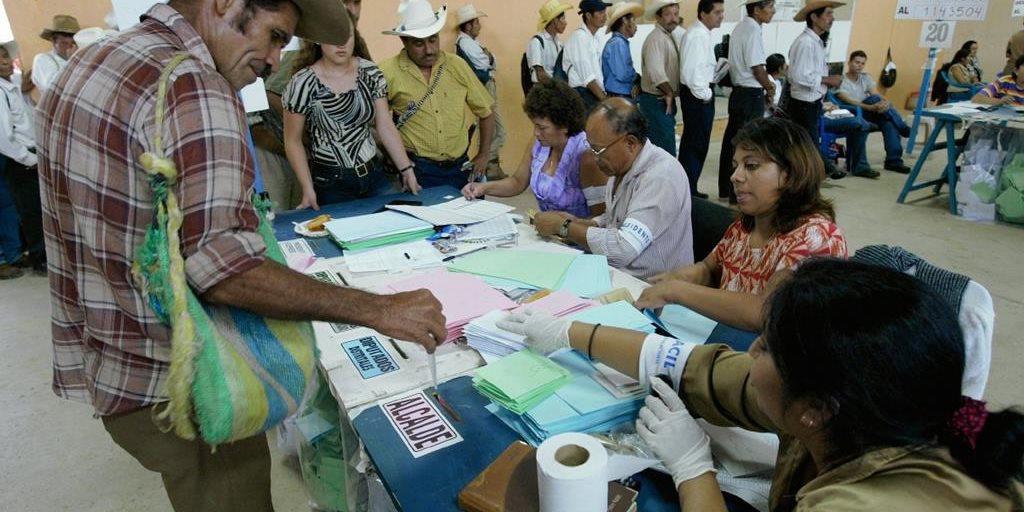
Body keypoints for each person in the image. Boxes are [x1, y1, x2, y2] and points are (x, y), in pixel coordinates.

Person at [36, 2, 447, 510]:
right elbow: (222, 267)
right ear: (228, 6)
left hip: (118, 363)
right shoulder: (194, 85)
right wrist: (378, 310)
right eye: (275, 36)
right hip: (192, 383)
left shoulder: (96, 60)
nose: (275, 60)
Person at [498, 258, 1024, 511]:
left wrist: (693, 471)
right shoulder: (870, 407)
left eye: (767, 344)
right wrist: (570, 330)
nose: (749, 348)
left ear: (815, 409)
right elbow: (693, 365)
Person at [636, 117, 847, 331]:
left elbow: (765, 312)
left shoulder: (816, 237)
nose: (735, 177)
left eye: (751, 165)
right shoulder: (746, 226)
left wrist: (677, 290)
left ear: (790, 173)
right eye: (736, 166)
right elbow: (709, 268)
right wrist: (678, 277)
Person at [533, 98, 693, 279]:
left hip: (651, 287)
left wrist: (564, 227)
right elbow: (618, 218)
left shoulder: (661, 177)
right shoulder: (621, 167)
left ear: (630, 143)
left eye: (598, 151)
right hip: (620, 274)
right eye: (591, 149)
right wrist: (587, 223)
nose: (594, 158)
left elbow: (623, 248)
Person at [283, 33, 419, 208]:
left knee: (396, 225)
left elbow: (385, 125)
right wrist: (307, 187)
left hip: (373, 172)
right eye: (333, 36)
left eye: (346, 36)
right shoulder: (302, 83)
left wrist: (406, 169)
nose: (341, 44)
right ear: (317, 38)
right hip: (331, 181)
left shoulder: (370, 72)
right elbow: (292, 141)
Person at [379, 0, 496, 190]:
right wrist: (397, 160)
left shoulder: (456, 65)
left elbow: (486, 111)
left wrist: (484, 154)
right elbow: (374, 123)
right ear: (404, 41)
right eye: (419, 43)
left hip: (461, 168)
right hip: (418, 171)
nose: (429, 50)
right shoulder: (386, 72)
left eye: (433, 39)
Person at [462, 79, 607, 218]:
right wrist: (483, 188)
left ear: (564, 126)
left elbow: (600, 219)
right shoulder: (540, 143)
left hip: (576, 239)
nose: (536, 132)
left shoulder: (586, 156)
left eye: (542, 127)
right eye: (535, 125)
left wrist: (564, 227)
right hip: (548, 233)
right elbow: (517, 182)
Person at [717, 0, 777, 203]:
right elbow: (758, 68)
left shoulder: (740, 27)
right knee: (747, 145)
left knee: (732, 142)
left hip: (739, 93)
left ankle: (726, 188)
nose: (773, 11)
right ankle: (738, 193)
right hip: (750, 93)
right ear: (757, 9)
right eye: (770, 7)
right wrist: (770, 87)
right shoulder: (752, 31)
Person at [785, 1, 848, 179]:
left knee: (806, 141)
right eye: (828, 14)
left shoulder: (816, 42)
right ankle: (822, 168)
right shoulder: (806, 43)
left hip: (811, 101)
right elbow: (799, 76)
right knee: (807, 142)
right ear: (814, 17)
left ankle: (818, 169)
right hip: (804, 102)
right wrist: (828, 80)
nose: (832, 18)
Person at [0, 39, 45, 275]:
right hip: (19, 159)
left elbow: (27, 114)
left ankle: (18, 254)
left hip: (28, 152)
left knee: (27, 207)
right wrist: (27, 159)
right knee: (29, 209)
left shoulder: (14, 85)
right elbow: (4, 137)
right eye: (0, 59)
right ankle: (39, 257)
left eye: (6, 57)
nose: (5, 62)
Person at [835, 50, 912, 174]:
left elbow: (875, 93)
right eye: (857, 62)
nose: (859, 65)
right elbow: (848, 101)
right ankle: (903, 127)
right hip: (854, 112)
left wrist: (885, 103)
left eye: (862, 63)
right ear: (849, 63)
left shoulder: (866, 77)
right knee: (876, 100)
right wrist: (870, 107)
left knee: (888, 121)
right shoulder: (841, 81)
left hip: (871, 111)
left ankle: (894, 161)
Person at [678, 0, 725, 200]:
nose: (721, 16)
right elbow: (691, 73)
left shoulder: (703, 34)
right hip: (698, 97)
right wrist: (706, 94)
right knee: (695, 144)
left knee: (697, 144)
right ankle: (688, 190)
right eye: (717, 12)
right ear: (703, 14)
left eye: (722, 11)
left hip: (701, 93)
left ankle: (691, 187)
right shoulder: (697, 35)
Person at [456, 4, 507, 179]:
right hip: (483, 87)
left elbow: (492, 61)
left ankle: (484, 165)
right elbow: (484, 63)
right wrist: (489, 56)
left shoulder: (472, 42)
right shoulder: (465, 42)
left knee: (496, 131)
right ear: (468, 25)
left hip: (486, 85)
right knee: (495, 130)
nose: (480, 26)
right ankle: (479, 163)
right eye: (476, 23)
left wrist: (489, 57)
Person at [638, 0, 680, 157]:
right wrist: (669, 92)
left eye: (676, 14)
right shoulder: (656, 39)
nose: (673, 18)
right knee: (664, 151)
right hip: (656, 101)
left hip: (661, 100)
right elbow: (656, 72)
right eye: (668, 14)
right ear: (658, 17)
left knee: (664, 146)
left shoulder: (667, 36)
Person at [564, 0, 612, 114]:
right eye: (600, 13)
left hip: (593, 93)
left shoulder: (594, 38)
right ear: (588, 16)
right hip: (583, 94)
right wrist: (605, 100)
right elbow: (587, 77)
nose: (604, 16)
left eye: (604, 12)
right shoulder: (579, 38)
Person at [601, 2, 642, 100]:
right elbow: (623, 74)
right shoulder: (618, 43)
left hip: (620, 95)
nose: (636, 26)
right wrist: (637, 78)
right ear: (624, 21)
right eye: (633, 20)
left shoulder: (618, 43)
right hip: (619, 96)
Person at [32, 15, 79, 94]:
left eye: (72, 37)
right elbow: (52, 88)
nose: (70, 44)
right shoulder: (42, 59)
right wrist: (72, 62)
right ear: (53, 40)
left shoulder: (81, 59)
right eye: (65, 41)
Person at [528, 0, 571, 87]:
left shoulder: (558, 42)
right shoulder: (537, 42)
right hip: (543, 90)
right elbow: (540, 74)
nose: (565, 22)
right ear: (555, 20)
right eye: (563, 18)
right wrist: (558, 87)